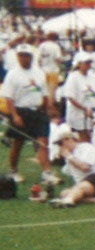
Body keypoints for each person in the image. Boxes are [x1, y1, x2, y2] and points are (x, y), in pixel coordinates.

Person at [2, 44, 53, 185]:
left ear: (32, 57)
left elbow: (44, 92)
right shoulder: (13, 74)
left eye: (27, 55)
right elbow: (9, 97)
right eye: (21, 56)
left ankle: (47, 172)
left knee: (44, 142)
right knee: (19, 143)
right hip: (21, 111)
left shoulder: (39, 72)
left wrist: (47, 107)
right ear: (18, 57)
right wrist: (15, 115)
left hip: (38, 110)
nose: (24, 58)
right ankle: (14, 170)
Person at [49, 126, 95, 207]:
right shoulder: (69, 156)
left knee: (80, 187)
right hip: (84, 183)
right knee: (64, 193)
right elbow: (66, 171)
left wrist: (69, 156)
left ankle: (68, 201)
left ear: (68, 139)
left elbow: (85, 167)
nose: (60, 147)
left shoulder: (86, 147)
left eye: (60, 143)